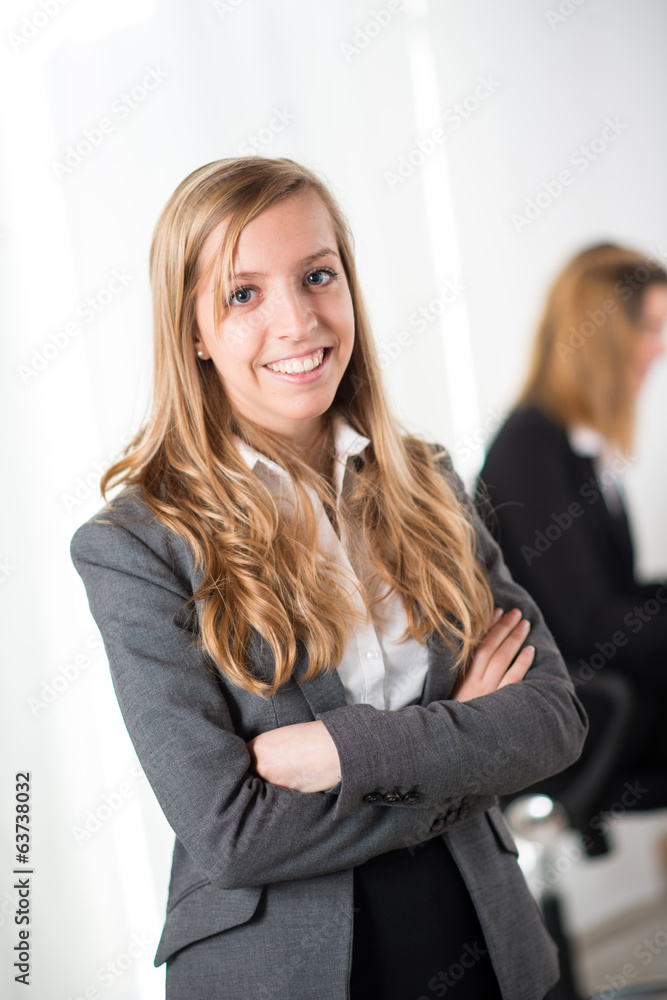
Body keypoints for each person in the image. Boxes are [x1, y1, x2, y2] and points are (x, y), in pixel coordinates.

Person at [70, 156, 587, 1000]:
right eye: (243, 294)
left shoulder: (425, 479)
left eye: (317, 276)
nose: (298, 320)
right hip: (279, 969)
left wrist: (342, 752)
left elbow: (553, 721)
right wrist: (464, 742)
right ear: (192, 330)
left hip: (482, 936)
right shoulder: (136, 546)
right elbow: (234, 835)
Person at [475, 242, 667, 811]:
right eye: (650, 328)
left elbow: (617, 594)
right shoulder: (531, 448)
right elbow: (588, 624)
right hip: (575, 708)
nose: (660, 347)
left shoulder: (578, 447)